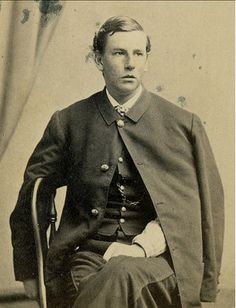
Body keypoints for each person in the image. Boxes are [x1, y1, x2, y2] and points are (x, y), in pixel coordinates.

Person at [10, 16, 224, 308]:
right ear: (99, 59)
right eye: (119, 53)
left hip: (158, 260)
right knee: (107, 279)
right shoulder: (70, 122)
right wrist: (29, 271)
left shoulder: (182, 125)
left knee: (122, 272)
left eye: (138, 53)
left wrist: (147, 251)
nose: (130, 63)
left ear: (147, 60)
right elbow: (33, 193)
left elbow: (203, 206)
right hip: (87, 257)